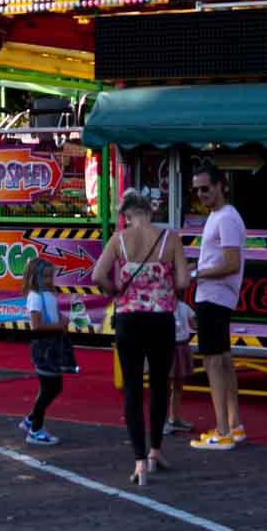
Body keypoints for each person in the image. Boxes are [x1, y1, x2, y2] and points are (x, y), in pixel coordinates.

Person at [91, 191, 187, 485]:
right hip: (161, 319)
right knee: (159, 385)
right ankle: (156, 450)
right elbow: (183, 281)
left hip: (129, 319)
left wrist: (115, 291)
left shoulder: (118, 240)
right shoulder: (170, 238)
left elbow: (97, 275)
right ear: (149, 211)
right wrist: (168, 291)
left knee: (132, 389)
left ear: (126, 215)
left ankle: (139, 462)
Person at [188, 163, 246, 451]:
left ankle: (223, 429)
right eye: (197, 190)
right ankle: (232, 425)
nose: (201, 194)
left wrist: (196, 273)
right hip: (215, 296)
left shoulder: (226, 218)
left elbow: (231, 263)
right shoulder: (221, 216)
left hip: (214, 297)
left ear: (221, 185)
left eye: (205, 188)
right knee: (222, 360)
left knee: (214, 362)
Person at [19, 257, 73, 446]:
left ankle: (31, 419)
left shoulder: (47, 294)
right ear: (35, 277)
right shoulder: (35, 297)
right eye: (46, 277)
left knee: (52, 386)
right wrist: (59, 326)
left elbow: (52, 315)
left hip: (52, 345)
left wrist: (62, 319)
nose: (50, 280)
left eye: (51, 276)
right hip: (44, 347)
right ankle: (35, 430)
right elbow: (36, 325)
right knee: (50, 387)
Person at [165, 296, 198, 436]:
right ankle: (162, 421)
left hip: (182, 346)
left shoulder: (184, 307)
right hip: (166, 348)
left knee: (178, 385)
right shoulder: (161, 307)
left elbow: (195, 325)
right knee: (164, 387)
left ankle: (175, 418)